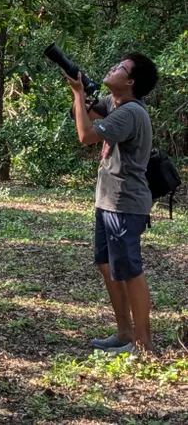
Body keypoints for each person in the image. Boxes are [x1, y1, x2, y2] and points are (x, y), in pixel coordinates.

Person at [66, 53, 158, 354]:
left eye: (119, 68)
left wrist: (79, 93)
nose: (112, 67)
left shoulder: (130, 113)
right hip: (107, 200)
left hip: (125, 202)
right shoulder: (114, 103)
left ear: (130, 82)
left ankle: (143, 344)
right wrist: (83, 96)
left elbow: (84, 135)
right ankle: (124, 334)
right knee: (107, 265)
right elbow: (80, 115)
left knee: (129, 269)